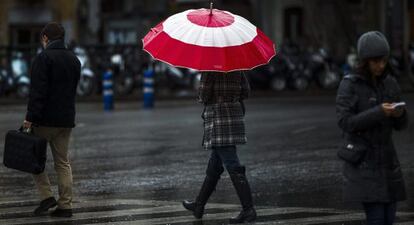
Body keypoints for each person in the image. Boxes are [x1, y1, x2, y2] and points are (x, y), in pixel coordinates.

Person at [336, 31, 408, 225]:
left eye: (383, 61)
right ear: (365, 61)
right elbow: (346, 122)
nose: (380, 66)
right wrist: (378, 112)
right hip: (365, 164)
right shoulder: (350, 84)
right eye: (376, 61)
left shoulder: (389, 82)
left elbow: (402, 125)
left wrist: (399, 114)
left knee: (388, 219)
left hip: (387, 163)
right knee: (376, 220)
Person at [23, 22, 81, 217]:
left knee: (34, 160)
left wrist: (29, 119)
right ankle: (65, 206)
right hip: (66, 120)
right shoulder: (74, 59)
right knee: (63, 163)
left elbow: (37, 93)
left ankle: (47, 196)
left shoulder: (43, 58)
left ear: (45, 38)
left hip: (44, 120)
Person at [182, 72, 256, 224]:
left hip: (219, 120)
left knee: (232, 163)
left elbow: (203, 95)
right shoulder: (237, 68)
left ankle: (248, 209)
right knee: (215, 164)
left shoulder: (210, 70)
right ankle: (199, 205)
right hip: (234, 118)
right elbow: (246, 92)